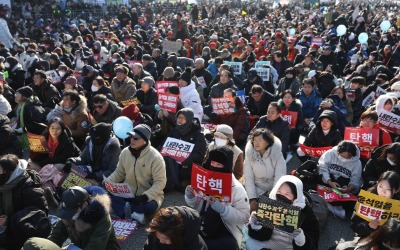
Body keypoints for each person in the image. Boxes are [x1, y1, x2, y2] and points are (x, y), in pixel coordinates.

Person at [184, 147, 250, 250]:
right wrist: (190, 195)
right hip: (201, 222)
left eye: (219, 165)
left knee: (229, 246)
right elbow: (195, 205)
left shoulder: (236, 188)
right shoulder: (205, 178)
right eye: (213, 163)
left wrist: (223, 209)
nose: (214, 166)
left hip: (224, 229)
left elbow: (244, 216)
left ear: (226, 166)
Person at [107, 124, 166, 223]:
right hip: (128, 194)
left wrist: (145, 196)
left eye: (136, 138)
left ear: (145, 140)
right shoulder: (125, 152)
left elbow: (160, 182)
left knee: (149, 206)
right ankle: (133, 214)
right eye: (130, 136)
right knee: (107, 194)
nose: (132, 140)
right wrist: (108, 182)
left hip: (148, 196)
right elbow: (119, 172)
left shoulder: (156, 158)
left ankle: (125, 211)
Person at [246, 175, 319, 250]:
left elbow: (314, 242)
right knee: (247, 242)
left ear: (296, 197)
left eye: (287, 194)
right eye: (279, 191)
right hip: (269, 241)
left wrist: (302, 240)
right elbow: (259, 235)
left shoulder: (305, 211)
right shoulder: (268, 200)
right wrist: (256, 225)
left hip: (290, 247)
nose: (281, 196)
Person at [44, 186, 120, 249]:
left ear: (85, 204)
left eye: (72, 211)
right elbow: (56, 235)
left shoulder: (102, 218)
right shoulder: (69, 212)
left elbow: (95, 246)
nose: (70, 215)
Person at [0, 154, 50, 249]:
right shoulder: (4, 185)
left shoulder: (31, 190)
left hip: (20, 232)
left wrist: (8, 220)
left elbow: (39, 218)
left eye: (1, 171)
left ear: (11, 173)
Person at [244, 128, 287, 212]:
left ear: (267, 142)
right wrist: (252, 198)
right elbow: (248, 177)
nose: (256, 142)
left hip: (273, 189)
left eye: (260, 140)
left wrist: (273, 198)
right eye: (254, 140)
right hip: (256, 188)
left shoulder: (277, 155)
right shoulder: (249, 155)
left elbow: (279, 178)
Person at [163, 108, 206, 191]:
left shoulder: (197, 134)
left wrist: (187, 159)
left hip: (188, 164)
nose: (180, 120)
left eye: (183, 118)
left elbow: (200, 153)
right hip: (173, 162)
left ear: (189, 120)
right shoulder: (174, 131)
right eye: (179, 117)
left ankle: (183, 182)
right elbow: (164, 144)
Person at [318, 141, 363, 219]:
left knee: (353, 205)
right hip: (328, 180)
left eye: (347, 157)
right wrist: (329, 181)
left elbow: (356, 178)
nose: (344, 159)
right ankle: (330, 205)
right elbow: (322, 167)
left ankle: (326, 203)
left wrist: (350, 187)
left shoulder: (357, 162)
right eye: (342, 156)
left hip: (343, 184)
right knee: (313, 181)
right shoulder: (330, 153)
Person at [351, 171, 400, 238]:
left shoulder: (398, 204)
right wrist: (367, 226)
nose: (382, 192)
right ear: (377, 183)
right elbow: (354, 225)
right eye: (380, 186)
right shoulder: (367, 197)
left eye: (388, 189)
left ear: (396, 190)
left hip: (388, 241)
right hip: (367, 237)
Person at [143, 206, 208, 250]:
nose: (161, 241)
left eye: (165, 238)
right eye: (158, 236)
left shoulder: (196, 247)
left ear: (177, 235)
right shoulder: (155, 233)